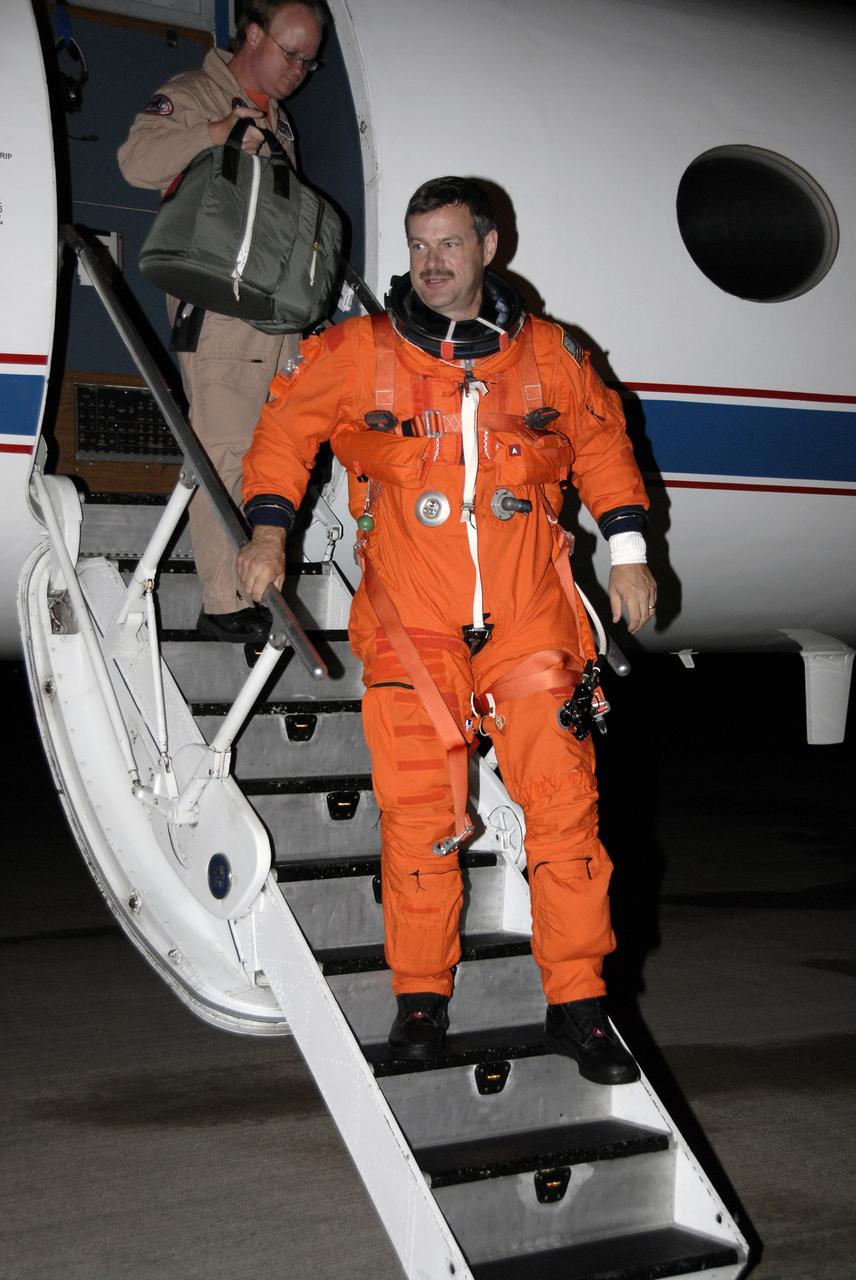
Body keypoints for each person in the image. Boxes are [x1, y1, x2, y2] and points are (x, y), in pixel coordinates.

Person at [238, 177, 658, 1084]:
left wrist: (628, 552)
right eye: (418, 246)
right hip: (411, 623)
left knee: (565, 811)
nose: (430, 264)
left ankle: (580, 1006)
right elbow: (286, 431)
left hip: (531, 620)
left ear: (489, 246)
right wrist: (269, 532)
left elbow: (602, 445)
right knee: (420, 821)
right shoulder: (362, 353)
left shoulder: (551, 356)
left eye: (449, 246)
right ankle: (421, 1002)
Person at [118, 1, 331, 644]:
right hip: (221, 307)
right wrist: (211, 133)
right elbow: (136, 161)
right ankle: (224, 598)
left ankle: (254, 584)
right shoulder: (195, 93)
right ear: (254, 33)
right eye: (289, 53)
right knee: (227, 444)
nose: (299, 70)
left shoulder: (279, 121)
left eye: (308, 61)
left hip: (272, 312)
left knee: (277, 447)